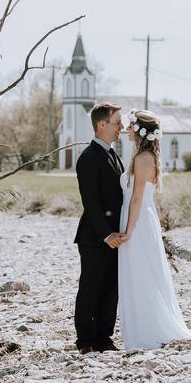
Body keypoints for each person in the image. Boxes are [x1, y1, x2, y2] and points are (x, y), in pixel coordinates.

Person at [117, 109, 191, 349]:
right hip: (142, 218)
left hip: (137, 221)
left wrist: (128, 231)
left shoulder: (141, 158)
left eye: (130, 125)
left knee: (140, 274)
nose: (126, 129)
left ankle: (146, 331)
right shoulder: (147, 156)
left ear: (139, 130)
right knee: (143, 273)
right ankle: (143, 327)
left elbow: (136, 198)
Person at [73, 102, 125, 353]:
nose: (121, 127)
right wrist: (107, 234)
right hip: (95, 237)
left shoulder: (114, 154)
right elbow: (91, 202)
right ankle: (85, 340)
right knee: (91, 287)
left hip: (117, 236)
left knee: (111, 289)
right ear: (101, 124)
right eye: (117, 122)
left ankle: (104, 338)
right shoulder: (88, 158)